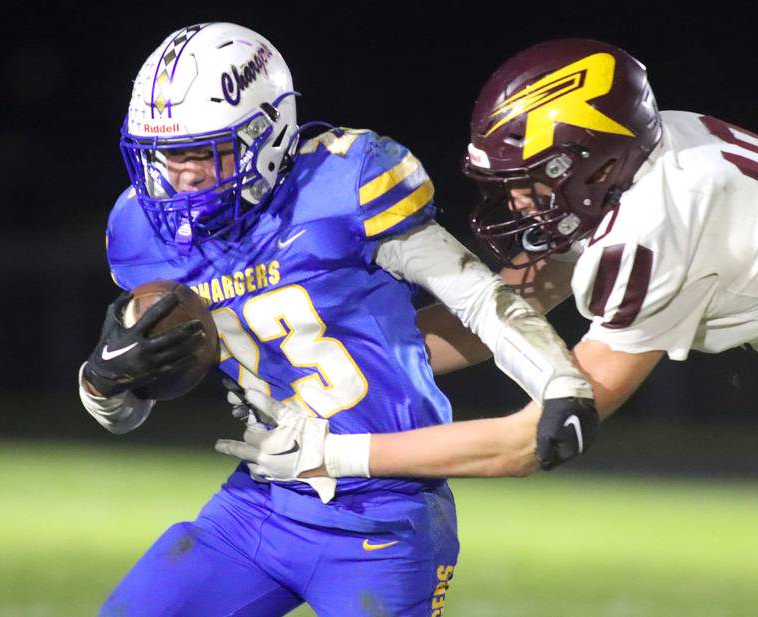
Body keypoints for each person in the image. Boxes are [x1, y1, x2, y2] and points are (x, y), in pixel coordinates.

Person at [78, 23, 596, 616]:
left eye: (201, 151)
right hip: (260, 503)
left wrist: (558, 381)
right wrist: (103, 377)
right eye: (166, 155)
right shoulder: (143, 229)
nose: (180, 176)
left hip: (381, 516)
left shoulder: (342, 181)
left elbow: (476, 296)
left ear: (263, 133)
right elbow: (123, 413)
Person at [215, 37, 758, 484]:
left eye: (531, 181)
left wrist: (331, 456)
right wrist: (315, 362)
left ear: (595, 164)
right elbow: (509, 307)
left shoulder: (652, 229)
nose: (518, 202)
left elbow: (535, 438)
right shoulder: (656, 151)